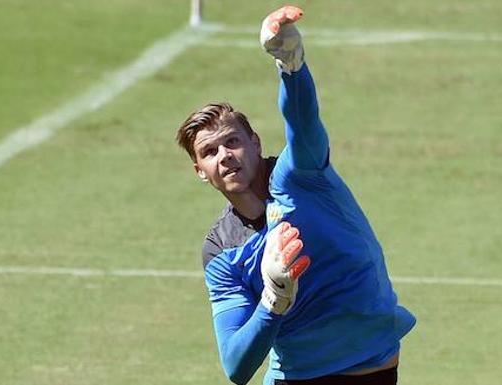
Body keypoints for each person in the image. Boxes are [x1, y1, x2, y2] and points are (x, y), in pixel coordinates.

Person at [175, 6, 416, 385]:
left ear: (255, 144)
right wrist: (273, 302)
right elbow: (236, 366)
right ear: (200, 173)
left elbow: (303, 124)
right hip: (293, 377)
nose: (224, 156)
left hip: (367, 368)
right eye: (209, 152)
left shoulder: (301, 175)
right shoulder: (222, 249)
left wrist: (290, 65)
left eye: (232, 142)